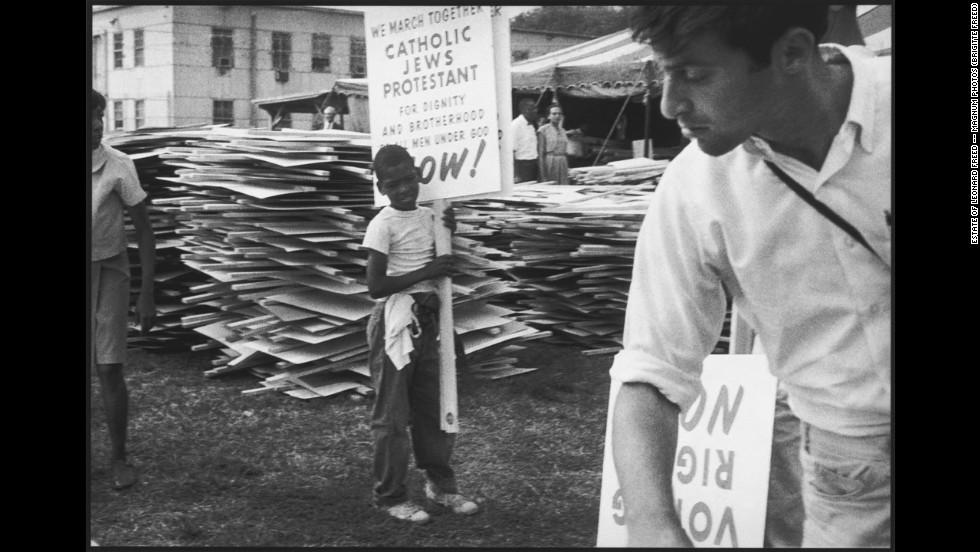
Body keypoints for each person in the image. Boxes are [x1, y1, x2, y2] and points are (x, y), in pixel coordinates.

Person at [609, 5, 890, 548]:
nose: (669, 105)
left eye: (694, 75)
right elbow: (649, 369)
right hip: (848, 474)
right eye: (666, 73)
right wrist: (650, 523)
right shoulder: (695, 188)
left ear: (791, 52)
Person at [361, 144, 480, 524]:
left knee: (434, 409)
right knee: (392, 417)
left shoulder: (431, 217)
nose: (404, 189)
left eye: (408, 179)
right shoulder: (382, 224)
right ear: (381, 187)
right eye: (393, 184)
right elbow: (376, 286)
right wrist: (427, 273)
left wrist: (449, 229)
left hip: (428, 322)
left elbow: (439, 260)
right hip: (393, 325)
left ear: (418, 176)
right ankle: (391, 495)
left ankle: (441, 487)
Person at [91, 88, 157, 490]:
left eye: (100, 115)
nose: (97, 123)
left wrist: (146, 293)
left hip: (111, 273)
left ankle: (119, 459)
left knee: (109, 368)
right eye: (89, 116)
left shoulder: (119, 165)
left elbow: (146, 231)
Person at [537, 103, 570, 185]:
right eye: (554, 114)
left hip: (562, 162)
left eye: (559, 114)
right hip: (550, 161)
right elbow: (540, 155)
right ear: (548, 116)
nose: (557, 116)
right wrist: (543, 176)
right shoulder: (543, 130)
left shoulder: (563, 130)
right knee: (552, 186)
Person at [511, 98, 539, 183]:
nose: (536, 111)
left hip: (533, 164)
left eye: (536, 108)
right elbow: (510, 151)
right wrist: (516, 175)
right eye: (533, 108)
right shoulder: (515, 125)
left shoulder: (531, 126)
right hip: (522, 166)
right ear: (525, 110)